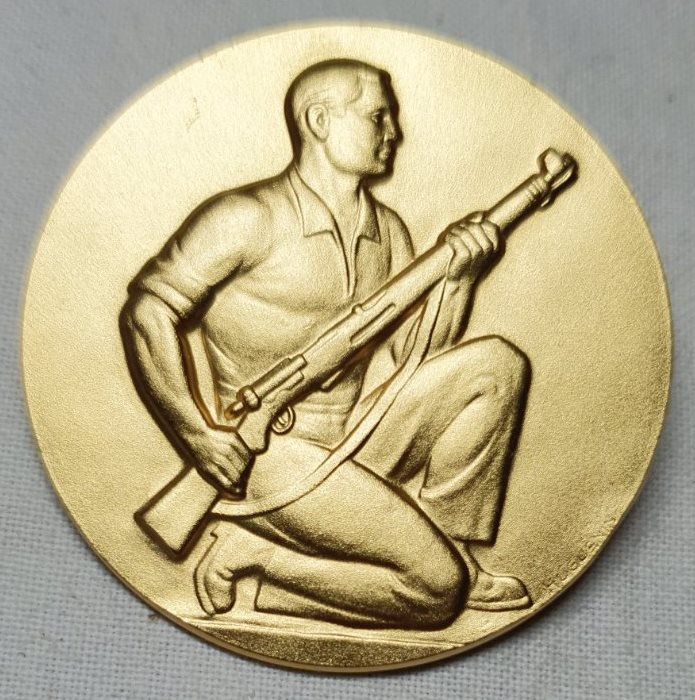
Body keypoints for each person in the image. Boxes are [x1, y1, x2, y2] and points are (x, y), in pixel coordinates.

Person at [121, 59, 531, 630]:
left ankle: (450, 545)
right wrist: (196, 433)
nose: (395, 133)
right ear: (319, 121)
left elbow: (417, 354)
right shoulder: (245, 217)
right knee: (438, 593)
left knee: (496, 366)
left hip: (355, 440)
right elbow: (148, 310)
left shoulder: (387, 230)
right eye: (378, 117)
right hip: (266, 457)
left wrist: (460, 279)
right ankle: (253, 556)